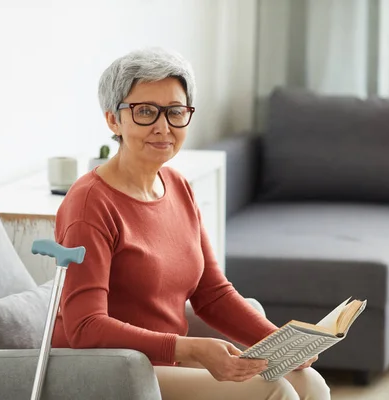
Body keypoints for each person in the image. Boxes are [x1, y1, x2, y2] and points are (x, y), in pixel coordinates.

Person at [51, 47, 331, 399]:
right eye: (146, 112)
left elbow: (212, 294)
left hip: (165, 364)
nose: (162, 127)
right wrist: (191, 349)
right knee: (273, 391)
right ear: (113, 120)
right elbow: (84, 326)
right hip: (109, 370)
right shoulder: (90, 204)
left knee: (309, 382)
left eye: (175, 112)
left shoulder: (177, 186)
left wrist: (281, 342)